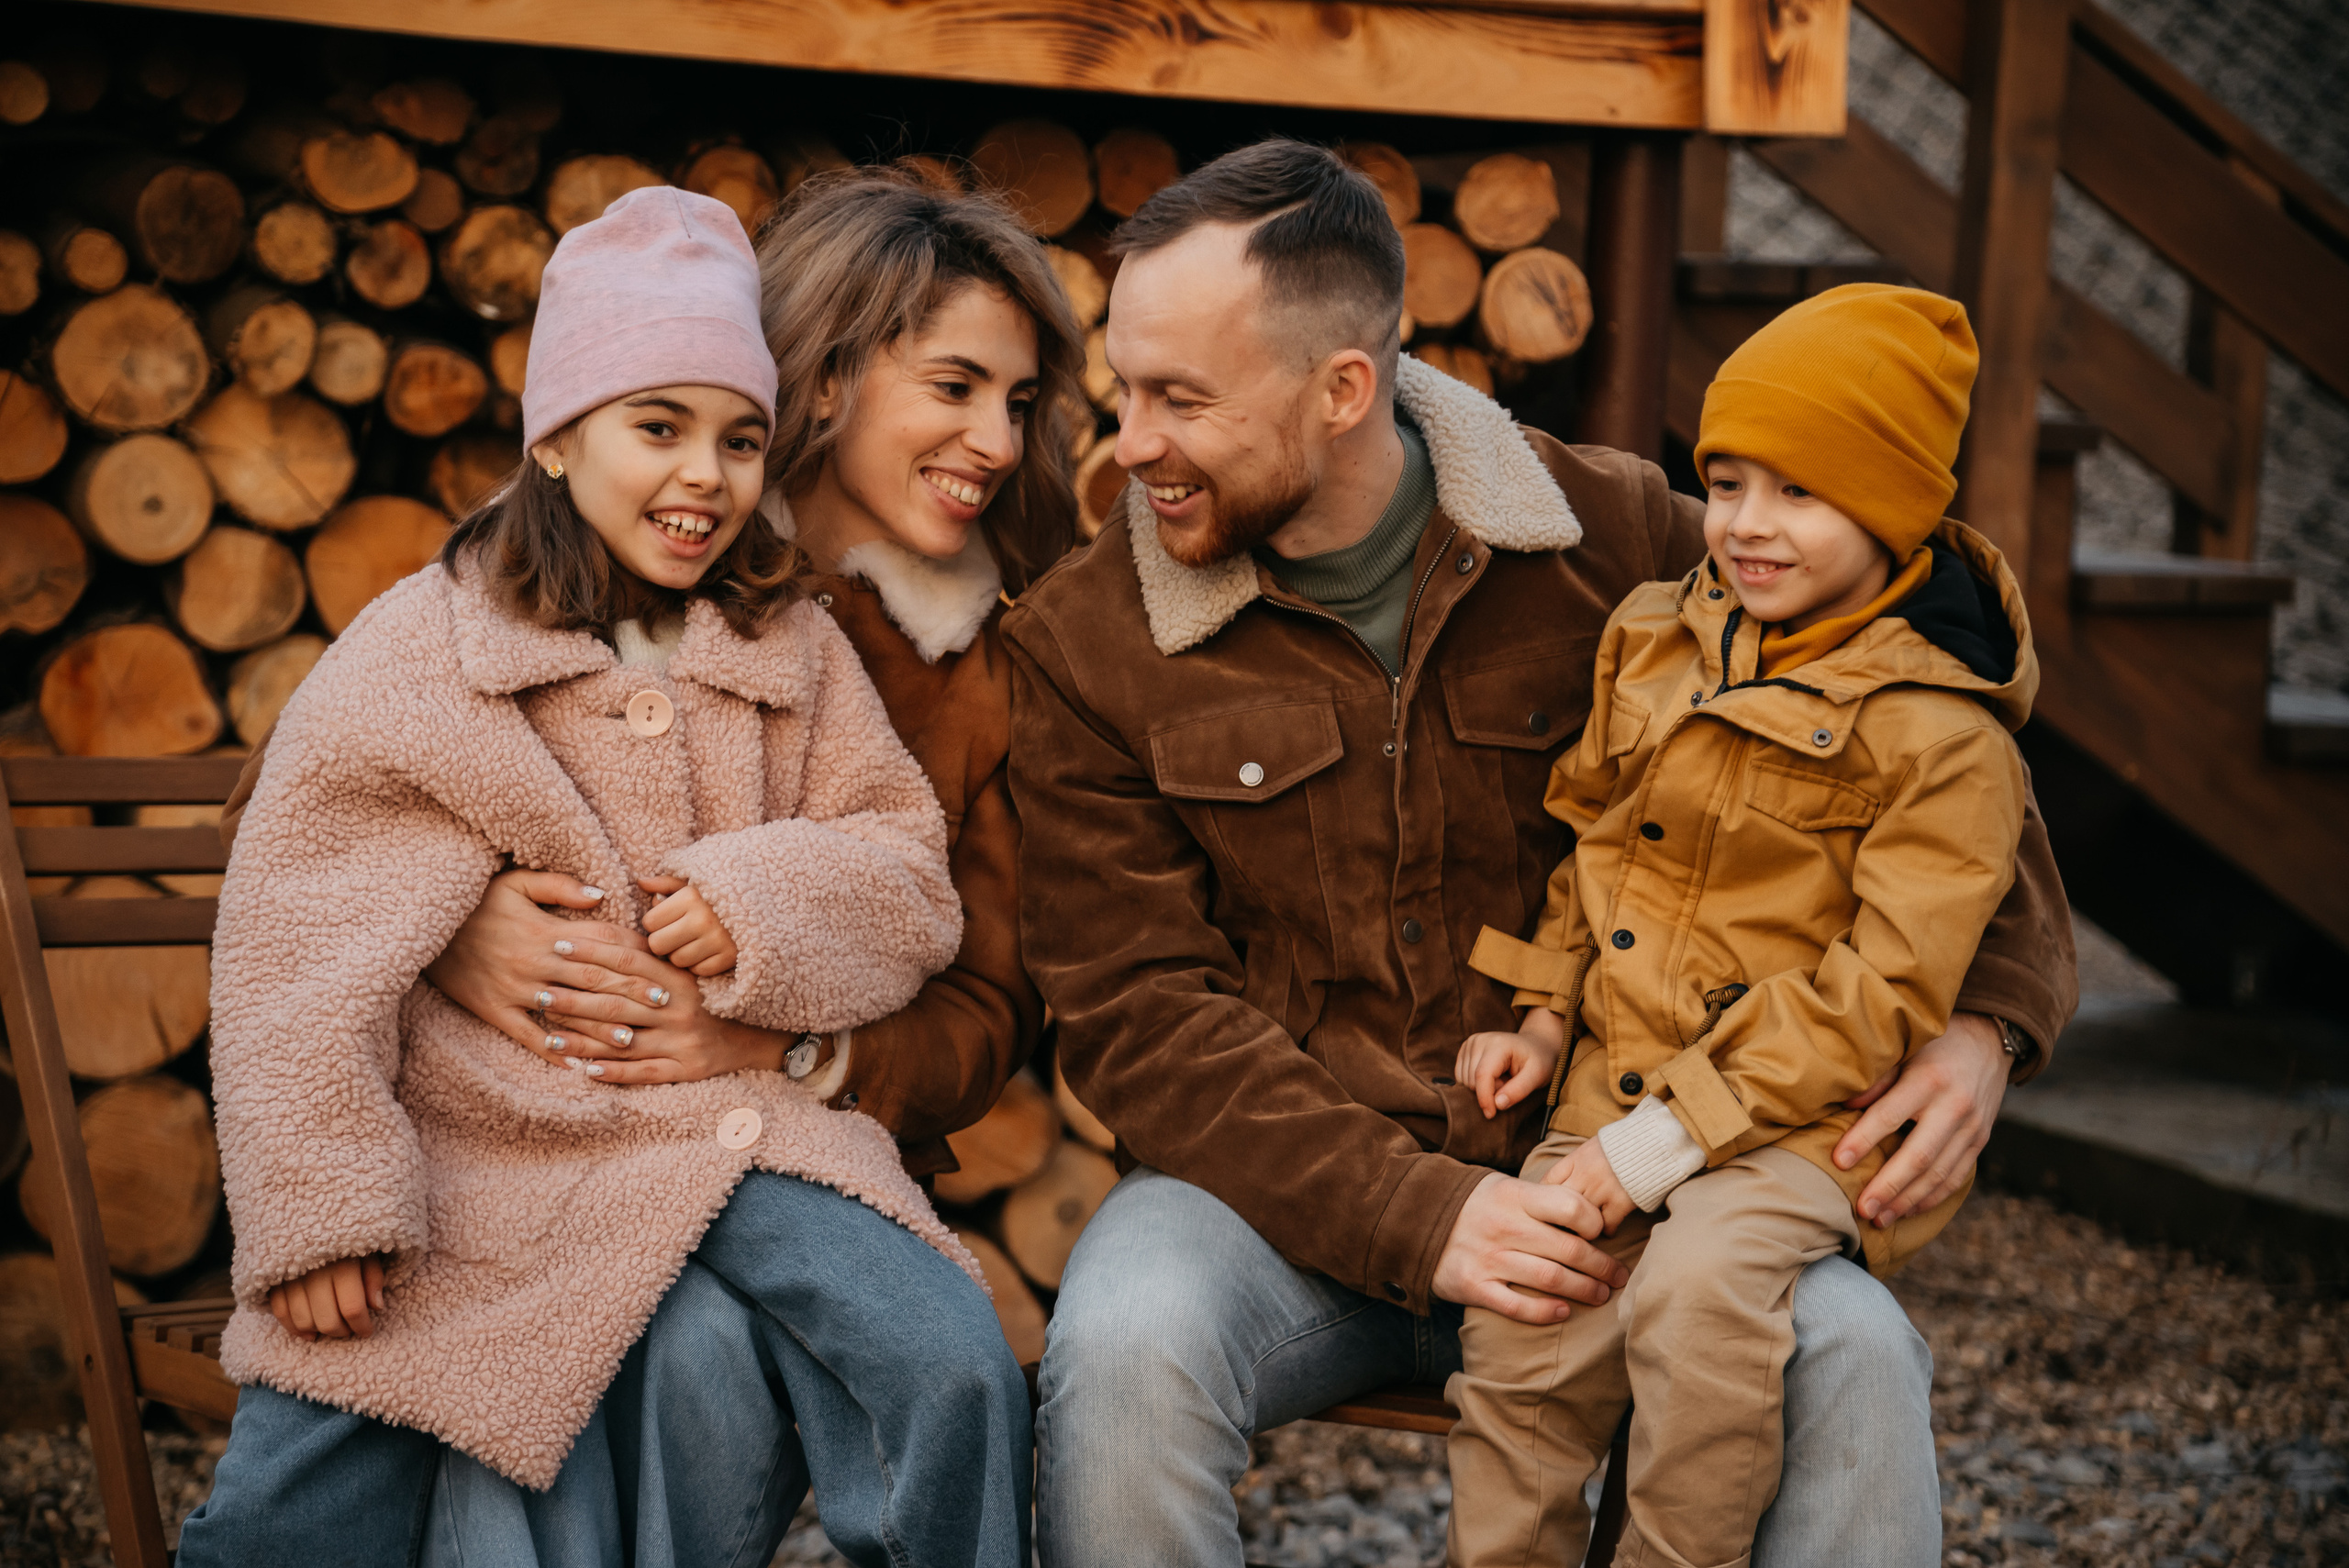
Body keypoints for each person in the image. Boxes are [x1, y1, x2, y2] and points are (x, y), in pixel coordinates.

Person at [1004, 139, 2076, 1567]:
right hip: (1276, 1203)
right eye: (1122, 389)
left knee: (1858, 1357)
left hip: (1632, 1174)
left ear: (1342, 391)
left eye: (1179, 398)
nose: (1128, 441)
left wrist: (1988, 1023)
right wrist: (1421, 1210)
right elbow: (1138, 1013)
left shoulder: (1613, 532)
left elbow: (1921, 727)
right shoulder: (1088, 638)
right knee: (1127, 1343)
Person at [180, 186, 1031, 1568]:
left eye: (739, 440)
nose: (706, 474)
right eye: (659, 427)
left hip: (749, 1133)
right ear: (559, 439)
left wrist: (762, 905)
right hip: (495, 1146)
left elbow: (906, 878)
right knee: (318, 1464)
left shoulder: (788, 647)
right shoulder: (433, 645)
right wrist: (324, 1201)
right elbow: (301, 923)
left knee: (953, 1363)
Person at [1444, 283, 2034, 1565]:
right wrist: (1544, 1016)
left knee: (1701, 1299)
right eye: (1728, 480)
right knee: (1526, 1325)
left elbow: (1878, 992)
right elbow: (1591, 838)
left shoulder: (1945, 737)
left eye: (1799, 493)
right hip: (1618, 1083)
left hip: (1802, 1120)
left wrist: (1656, 1149)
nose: (1747, 526)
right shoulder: (1655, 637)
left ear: (1893, 508)